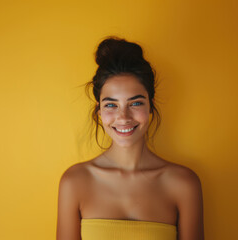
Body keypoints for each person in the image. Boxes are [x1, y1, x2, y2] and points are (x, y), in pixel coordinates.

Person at [56, 36, 204, 240]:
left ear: (150, 106)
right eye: (111, 105)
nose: (123, 117)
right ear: (99, 111)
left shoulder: (184, 184)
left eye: (135, 103)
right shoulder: (74, 182)